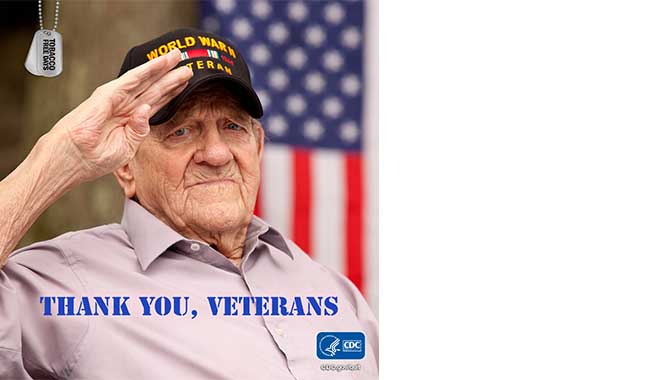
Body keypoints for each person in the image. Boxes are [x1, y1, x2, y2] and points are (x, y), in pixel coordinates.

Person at [0, 28, 378, 379]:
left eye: (233, 127)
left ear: (258, 145)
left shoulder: (334, 293)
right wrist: (59, 157)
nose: (216, 154)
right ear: (126, 166)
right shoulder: (64, 285)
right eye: (181, 131)